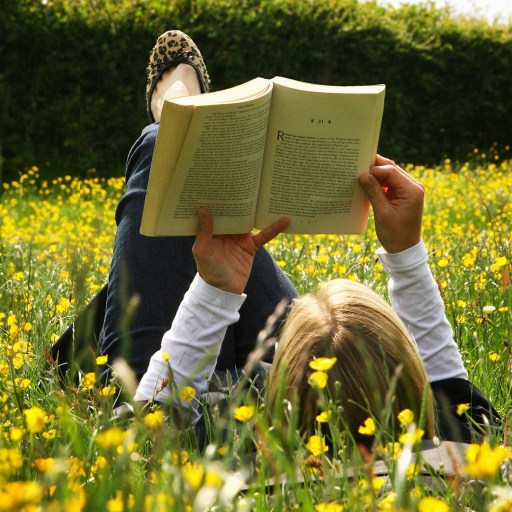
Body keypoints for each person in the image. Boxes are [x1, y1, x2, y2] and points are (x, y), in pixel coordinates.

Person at [133, 158, 498, 445]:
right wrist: (404, 250)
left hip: (225, 393)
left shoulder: (232, 462)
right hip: (295, 389)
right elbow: (451, 394)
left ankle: (173, 102)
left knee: (157, 150)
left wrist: (214, 290)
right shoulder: (456, 452)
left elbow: (153, 424)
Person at [97, 30, 298, 383]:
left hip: (163, 396)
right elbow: (429, 385)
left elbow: (150, 414)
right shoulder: (422, 409)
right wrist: (404, 251)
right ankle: (177, 119)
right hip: (325, 366)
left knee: (163, 149)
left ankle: (174, 121)